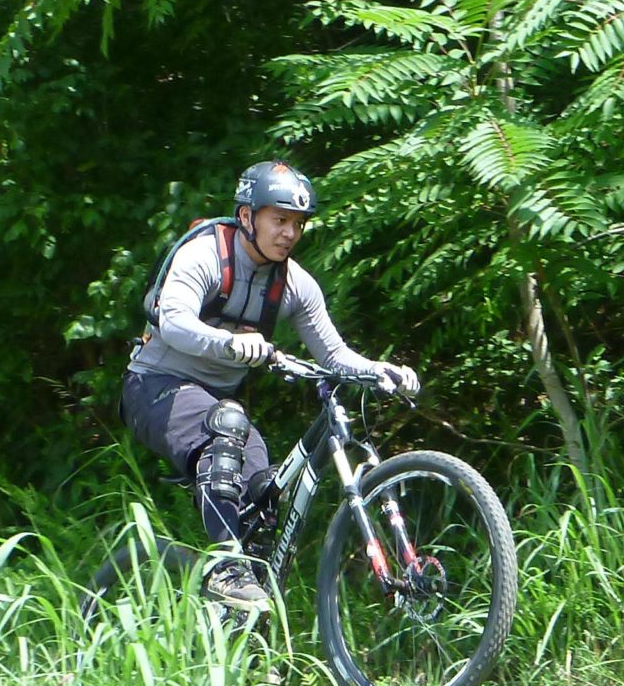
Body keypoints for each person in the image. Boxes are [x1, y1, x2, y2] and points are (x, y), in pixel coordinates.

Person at [118, 160, 419, 611]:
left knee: (264, 488)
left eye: (298, 223)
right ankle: (225, 567)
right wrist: (230, 344)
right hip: (153, 386)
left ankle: (236, 621)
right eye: (279, 219)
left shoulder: (294, 284)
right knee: (228, 426)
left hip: (216, 403)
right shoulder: (204, 255)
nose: (289, 233)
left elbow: (334, 356)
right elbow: (173, 321)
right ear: (246, 216)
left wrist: (380, 370)